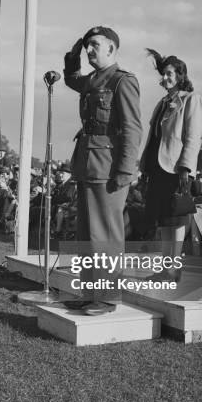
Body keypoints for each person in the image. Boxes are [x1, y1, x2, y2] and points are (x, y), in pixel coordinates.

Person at [64, 26, 142, 307]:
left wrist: (125, 170)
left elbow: (133, 129)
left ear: (112, 48)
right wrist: (72, 57)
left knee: (105, 236)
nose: (89, 50)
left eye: (95, 45)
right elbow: (72, 79)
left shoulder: (123, 81)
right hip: (87, 164)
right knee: (86, 235)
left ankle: (107, 298)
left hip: (109, 168)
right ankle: (90, 295)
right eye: (87, 46)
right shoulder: (93, 80)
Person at [139, 51, 202, 273]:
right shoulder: (163, 102)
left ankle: (173, 269)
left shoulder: (191, 99)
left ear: (180, 75)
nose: (164, 78)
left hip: (176, 168)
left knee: (176, 220)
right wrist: (145, 165)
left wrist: (186, 168)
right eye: (163, 74)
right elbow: (154, 137)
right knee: (164, 220)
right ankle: (166, 268)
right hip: (158, 168)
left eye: (169, 74)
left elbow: (192, 138)